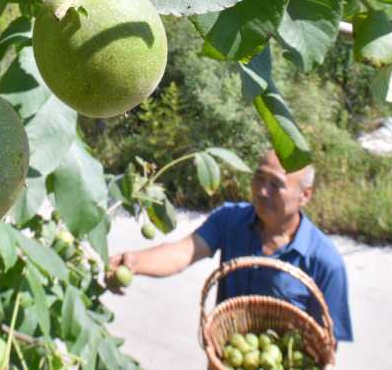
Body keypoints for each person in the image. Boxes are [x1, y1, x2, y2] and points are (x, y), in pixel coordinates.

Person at [106, 147, 353, 343]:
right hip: (229, 364)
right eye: (259, 178)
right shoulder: (229, 220)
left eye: (276, 184)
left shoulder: (325, 262)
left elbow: (325, 345)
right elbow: (183, 252)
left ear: (305, 195)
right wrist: (133, 262)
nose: (262, 191)